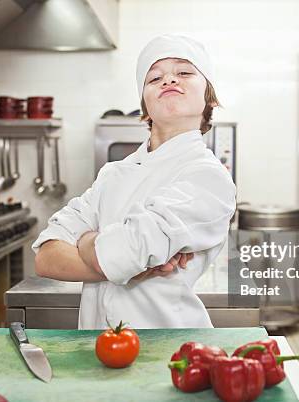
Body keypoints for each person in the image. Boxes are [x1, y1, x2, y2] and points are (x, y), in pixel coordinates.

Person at [32, 34, 236, 329]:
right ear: (144, 105)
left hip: (167, 352)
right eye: (154, 78)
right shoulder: (113, 174)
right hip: (99, 352)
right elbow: (46, 258)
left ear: (210, 97)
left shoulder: (208, 176)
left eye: (184, 72)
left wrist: (86, 239)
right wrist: (115, 260)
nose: (169, 81)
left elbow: (120, 254)